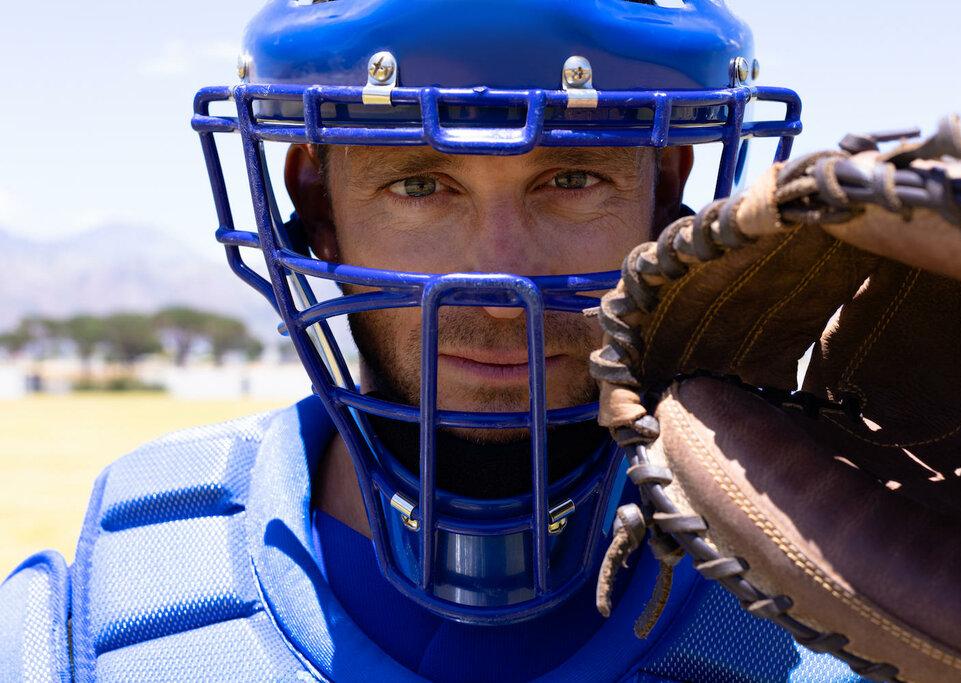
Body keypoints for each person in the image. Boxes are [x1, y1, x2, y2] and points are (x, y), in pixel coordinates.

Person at [0, 1, 867, 680]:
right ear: (318, 209)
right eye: (420, 185)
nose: (500, 285)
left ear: (666, 201)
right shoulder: (102, 620)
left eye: (572, 178)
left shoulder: (851, 597)